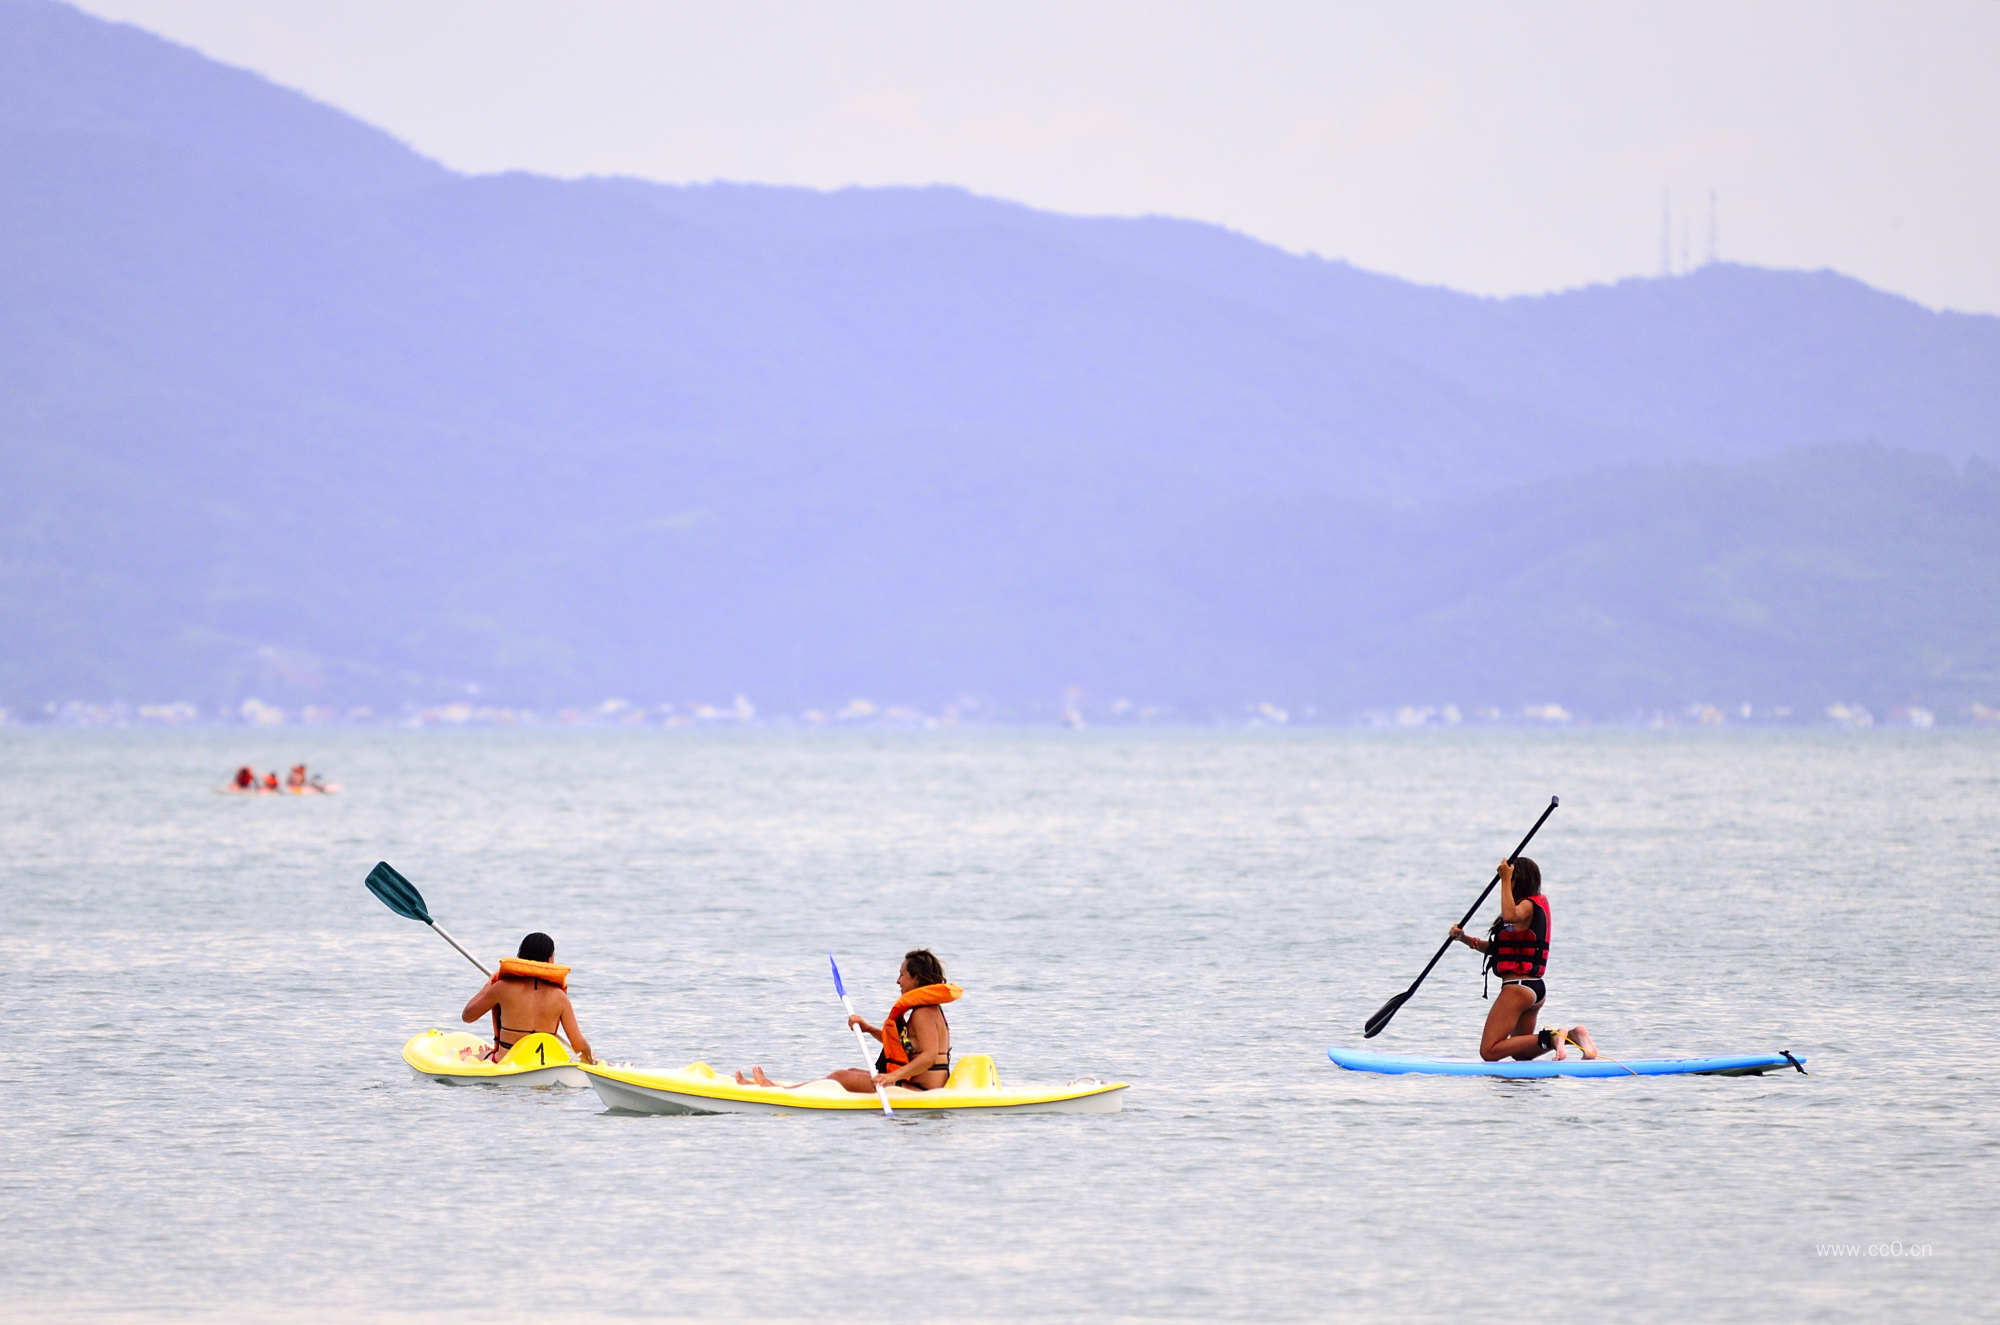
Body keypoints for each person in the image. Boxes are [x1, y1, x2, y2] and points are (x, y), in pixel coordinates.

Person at [737, 949, 959, 1092]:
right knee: (850, 1070)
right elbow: (908, 1047)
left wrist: (892, 1078)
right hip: (913, 1084)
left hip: (920, 1090)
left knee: (840, 1077)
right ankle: (779, 1088)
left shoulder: (924, 1012)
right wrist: (867, 1028)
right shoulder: (925, 1010)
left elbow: (929, 1057)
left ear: (916, 978)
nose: (897, 981)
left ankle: (777, 1091)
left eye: (902, 975)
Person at [1448, 857, 1599, 1062]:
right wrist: (1463, 938)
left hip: (1518, 988)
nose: (1508, 885)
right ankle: (1573, 1036)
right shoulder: (1525, 910)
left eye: (1511, 879)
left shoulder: (1527, 905)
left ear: (1518, 879)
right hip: (1533, 988)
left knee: (1489, 1051)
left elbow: (1509, 914)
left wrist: (1504, 877)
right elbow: (1498, 949)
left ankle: (1554, 1038)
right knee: (1519, 1053)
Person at [458, 932, 595, 1064]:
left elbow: (468, 1016)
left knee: (466, 1057)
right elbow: (580, 1045)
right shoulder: (559, 997)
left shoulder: (502, 988)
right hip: (545, 1064)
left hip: (506, 1061)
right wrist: (589, 1061)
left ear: (520, 957)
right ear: (549, 960)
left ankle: (477, 1056)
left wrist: (490, 984)